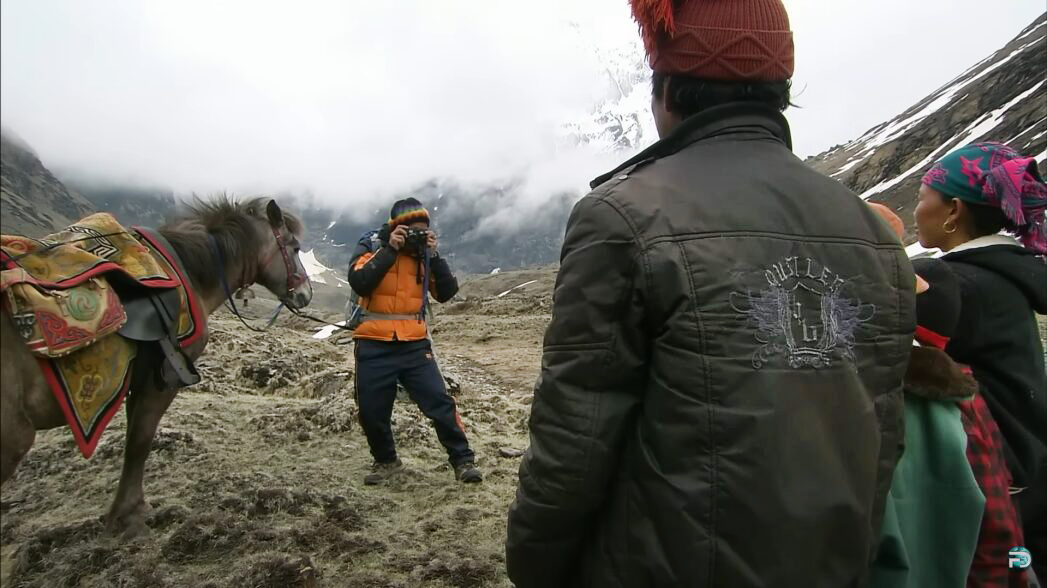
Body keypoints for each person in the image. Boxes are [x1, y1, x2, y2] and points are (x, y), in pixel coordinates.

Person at [505, 1, 916, 586]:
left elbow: (577, 433)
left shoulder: (625, 217)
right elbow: (882, 436)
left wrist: (534, 562)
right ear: (779, 92)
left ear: (668, 91)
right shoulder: (872, 229)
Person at [914, 142, 1047, 580]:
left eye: (922, 198)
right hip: (1030, 472)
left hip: (996, 489)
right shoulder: (1002, 277)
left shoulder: (958, 287)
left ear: (953, 210)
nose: (917, 211)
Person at [346, 197, 481, 485]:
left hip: (414, 343)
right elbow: (359, 281)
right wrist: (390, 249)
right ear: (397, 227)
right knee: (372, 411)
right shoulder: (372, 244)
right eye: (412, 230)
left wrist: (435, 255)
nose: (417, 235)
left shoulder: (423, 255)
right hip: (373, 342)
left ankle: (463, 461)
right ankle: (386, 462)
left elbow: (445, 293)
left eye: (423, 229)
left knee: (440, 403)